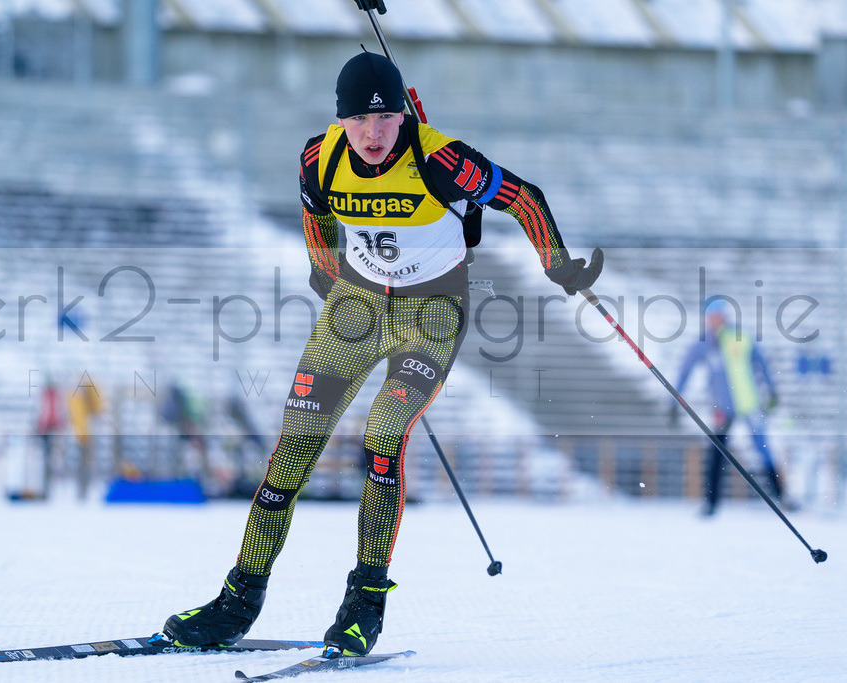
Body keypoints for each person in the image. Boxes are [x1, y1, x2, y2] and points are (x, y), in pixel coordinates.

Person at [162, 51, 603, 656]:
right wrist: (326, 275)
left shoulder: (440, 158)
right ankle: (238, 601)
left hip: (430, 314)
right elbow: (315, 216)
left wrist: (558, 266)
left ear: (403, 115)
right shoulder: (320, 158)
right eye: (360, 121)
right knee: (292, 449)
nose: (373, 134)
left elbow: (523, 197)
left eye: (387, 119)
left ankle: (364, 602)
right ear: (340, 120)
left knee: (384, 432)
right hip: (357, 309)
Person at [670, 300, 785, 516]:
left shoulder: (741, 337)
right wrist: (674, 401)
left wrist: (771, 391)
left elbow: (762, 364)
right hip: (722, 408)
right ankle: (711, 503)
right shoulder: (703, 344)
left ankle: (782, 497)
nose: (714, 321)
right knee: (716, 453)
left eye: (718, 316)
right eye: (711, 317)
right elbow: (685, 371)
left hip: (749, 404)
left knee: (764, 450)